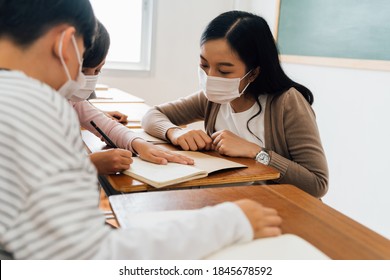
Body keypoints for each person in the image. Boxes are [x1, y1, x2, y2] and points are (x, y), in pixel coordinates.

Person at [0, 1, 281, 259]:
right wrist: (229, 222)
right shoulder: (33, 107)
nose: (78, 76)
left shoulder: (285, 103)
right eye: (83, 56)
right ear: (64, 43)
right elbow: (95, 258)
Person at [142, 11, 329, 198]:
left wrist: (256, 152)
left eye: (224, 71)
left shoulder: (287, 103)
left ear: (254, 73)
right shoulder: (212, 99)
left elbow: (317, 184)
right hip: (227, 200)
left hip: (272, 209)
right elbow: (152, 115)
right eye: (204, 65)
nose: (211, 78)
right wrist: (175, 132)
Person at [70, 20, 192, 174]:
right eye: (83, 70)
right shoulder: (38, 104)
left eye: (97, 71)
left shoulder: (72, 100)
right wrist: (89, 165)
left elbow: (108, 127)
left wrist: (137, 143)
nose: (90, 79)